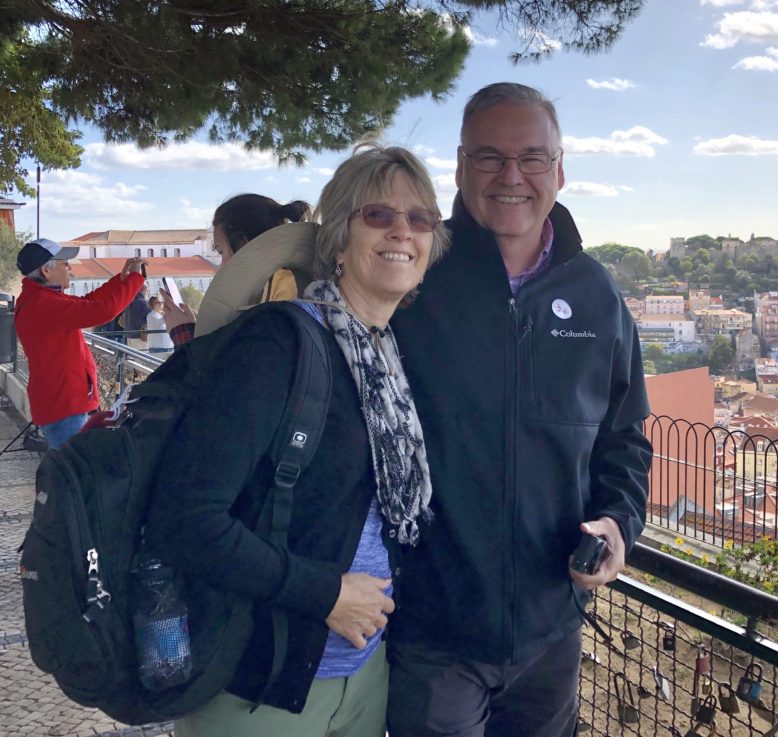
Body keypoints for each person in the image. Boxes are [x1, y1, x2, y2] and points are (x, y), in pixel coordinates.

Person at [145, 141, 450, 737]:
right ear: (339, 236)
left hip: (363, 676)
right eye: (378, 215)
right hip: (259, 686)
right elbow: (184, 519)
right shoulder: (276, 344)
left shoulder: (386, 356)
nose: (402, 231)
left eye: (420, 219)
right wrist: (326, 594)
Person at [388, 83, 653, 737]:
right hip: (432, 627)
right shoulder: (410, 277)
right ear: (458, 167)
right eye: (489, 157)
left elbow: (625, 439)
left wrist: (620, 523)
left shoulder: (596, 294)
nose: (512, 177)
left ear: (559, 170)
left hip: (551, 630)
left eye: (532, 158)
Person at [13, 238, 146, 448]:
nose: (70, 268)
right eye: (64, 263)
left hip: (63, 404)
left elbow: (89, 301)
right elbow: (102, 311)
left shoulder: (41, 299)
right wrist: (135, 280)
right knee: (77, 475)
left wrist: (121, 281)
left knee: (77, 471)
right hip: (65, 407)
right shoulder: (43, 304)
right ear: (46, 271)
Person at [161, 195, 311, 346]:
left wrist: (183, 333)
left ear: (244, 246)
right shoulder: (296, 283)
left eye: (221, 252)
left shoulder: (270, 303)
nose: (220, 267)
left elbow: (239, 364)